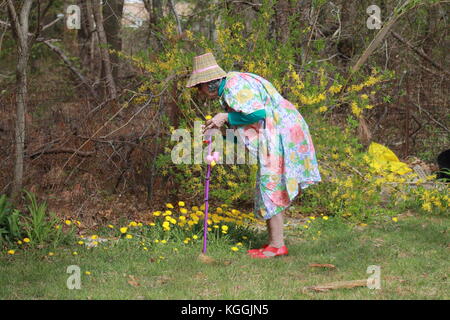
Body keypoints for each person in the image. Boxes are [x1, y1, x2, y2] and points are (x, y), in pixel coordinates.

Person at [186, 52, 322, 258]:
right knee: (269, 183)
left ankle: (276, 246)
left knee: (271, 184)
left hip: (281, 131)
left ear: (210, 82)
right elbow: (247, 126)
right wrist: (220, 133)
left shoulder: (234, 86)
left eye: (199, 87)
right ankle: (276, 244)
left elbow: (259, 114)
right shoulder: (232, 85)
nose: (200, 92)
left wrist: (225, 117)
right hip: (278, 131)